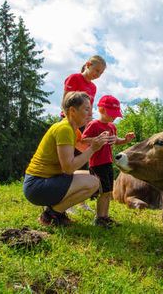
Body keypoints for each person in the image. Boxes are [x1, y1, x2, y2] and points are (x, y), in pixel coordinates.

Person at [23, 91, 110, 227]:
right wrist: (93, 148)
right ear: (72, 111)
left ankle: (57, 211)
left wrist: (102, 140)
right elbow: (68, 168)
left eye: (91, 109)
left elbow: (82, 145)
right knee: (93, 182)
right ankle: (51, 215)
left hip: (43, 182)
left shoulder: (71, 129)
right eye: (86, 109)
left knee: (94, 176)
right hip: (37, 186)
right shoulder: (64, 129)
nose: (90, 114)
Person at [82, 95, 135, 228]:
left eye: (116, 115)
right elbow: (83, 139)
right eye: (111, 114)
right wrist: (96, 139)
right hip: (97, 164)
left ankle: (105, 217)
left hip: (107, 163)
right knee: (103, 192)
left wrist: (125, 140)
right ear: (101, 109)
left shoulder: (112, 126)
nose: (114, 117)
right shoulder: (94, 124)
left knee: (108, 192)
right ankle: (99, 218)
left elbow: (115, 140)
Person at [63, 55, 107, 212]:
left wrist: (90, 125)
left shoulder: (93, 88)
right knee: (70, 159)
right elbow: (66, 102)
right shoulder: (74, 78)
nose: (98, 75)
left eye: (101, 73)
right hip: (70, 124)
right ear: (88, 65)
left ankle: (80, 199)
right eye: (96, 70)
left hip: (84, 126)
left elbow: (88, 109)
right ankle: (66, 199)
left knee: (84, 160)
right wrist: (70, 124)